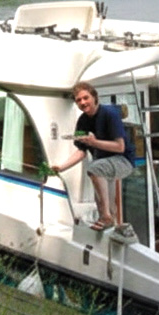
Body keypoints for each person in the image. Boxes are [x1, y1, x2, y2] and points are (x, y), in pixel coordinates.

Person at [50, 80, 135, 231]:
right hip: (103, 164)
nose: (83, 102)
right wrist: (61, 167)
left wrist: (94, 142)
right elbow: (81, 151)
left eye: (85, 98)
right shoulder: (82, 121)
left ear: (94, 97)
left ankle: (106, 217)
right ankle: (110, 224)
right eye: (79, 100)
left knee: (94, 169)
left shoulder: (109, 114)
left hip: (123, 161)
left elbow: (120, 147)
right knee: (103, 201)